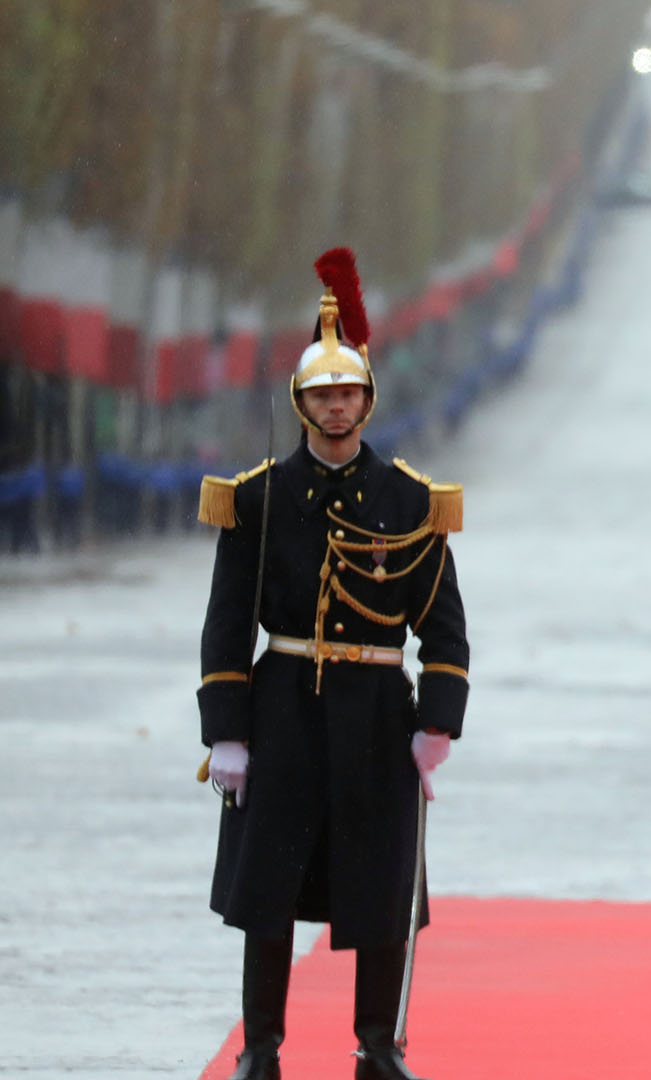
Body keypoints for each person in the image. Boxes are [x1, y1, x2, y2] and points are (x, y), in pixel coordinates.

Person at [196, 249, 469, 1080]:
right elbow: (224, 626)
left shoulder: (410, 504)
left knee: (381, 895)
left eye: (348, 392)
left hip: (377, 717)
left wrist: (436, 727)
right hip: (282, 710)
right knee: (267, 895)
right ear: (302, 403)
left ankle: (378, 1048)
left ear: (367, 400)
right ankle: (262, 1050)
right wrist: (228, 735)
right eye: (322, 394)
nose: (336, 406)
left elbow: (447, 633)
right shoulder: (259, 499)